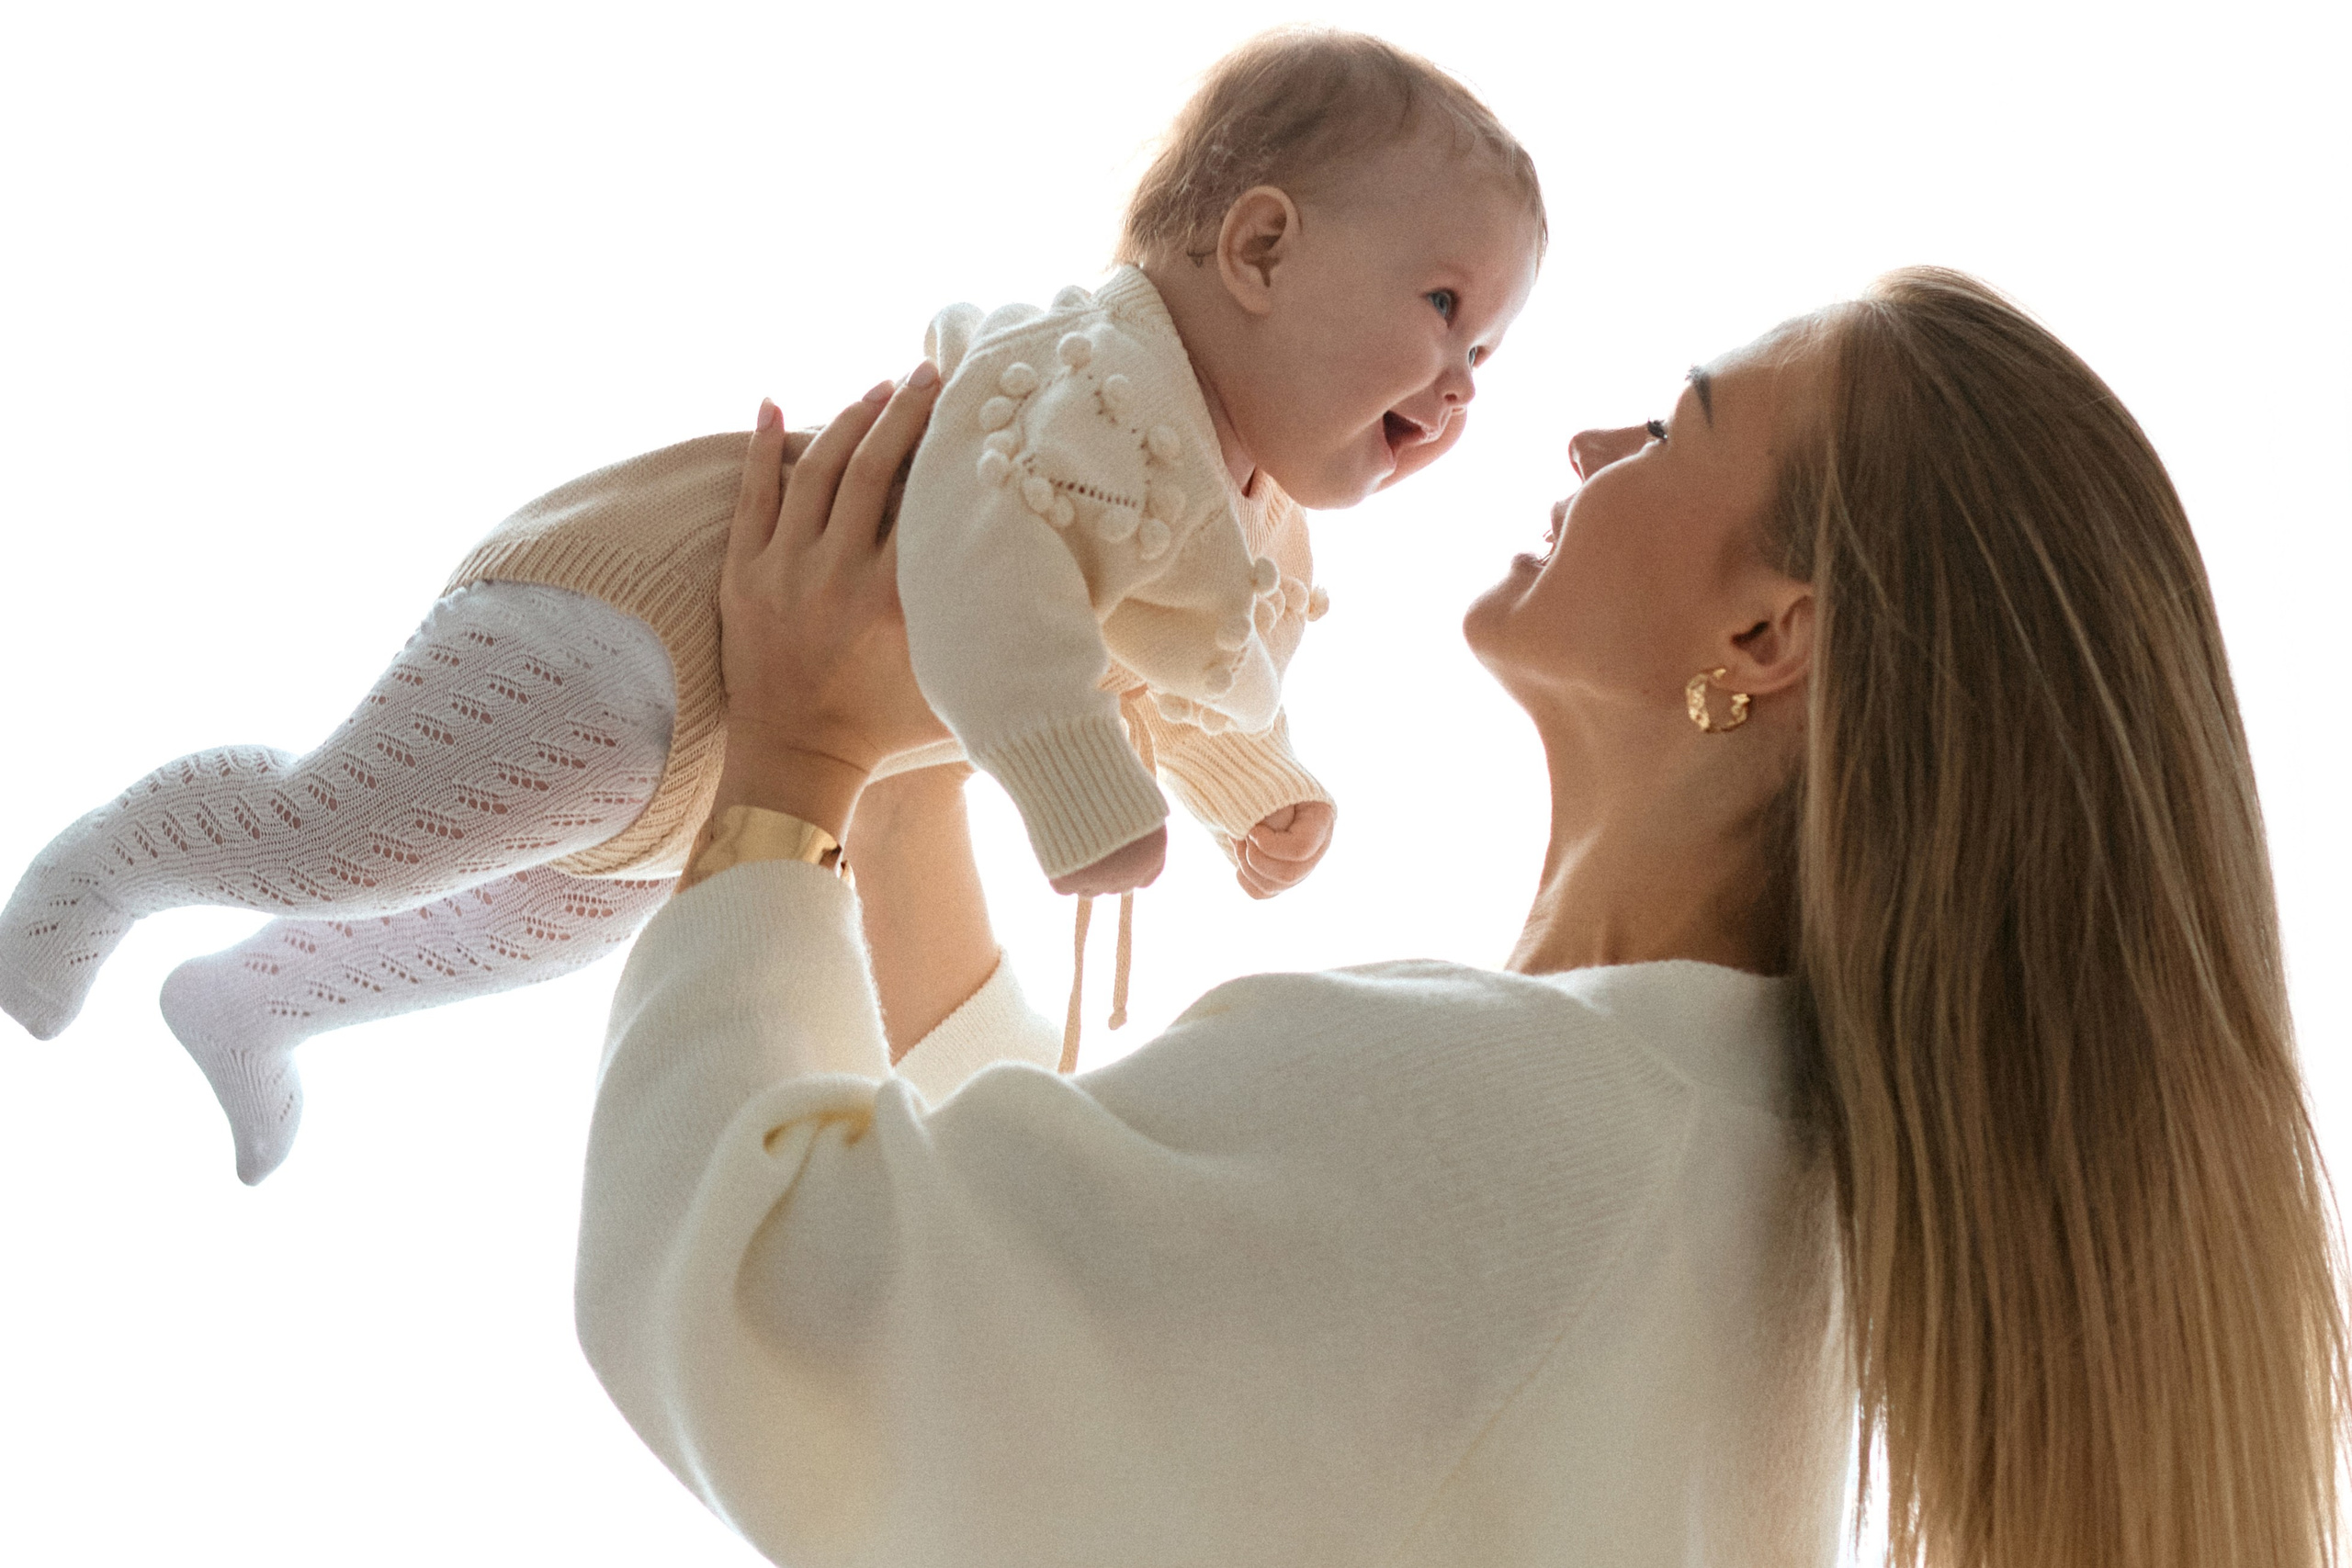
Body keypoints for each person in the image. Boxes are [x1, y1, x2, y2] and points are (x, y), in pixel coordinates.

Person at [576, 268, 2348, 1566]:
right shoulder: (1729, 1184)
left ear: (1767, 637)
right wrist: (910, 767)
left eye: (1675, 425)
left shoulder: (1514, 1124)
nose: (1590, 437)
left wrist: (792, 768)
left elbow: (771, 1303)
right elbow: (1070, 1288)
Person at [0, 28, 1544, 1183]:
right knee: (342, 837)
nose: (1466, 382)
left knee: (538, 930)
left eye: (1489, 351)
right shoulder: (1081, 385)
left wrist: (1253, 795)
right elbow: (989, 586)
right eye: (1444, 308)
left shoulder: (1248, 525)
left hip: (752, 747)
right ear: (1260, 249)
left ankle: (256, 1003)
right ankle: (99, 873)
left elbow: (1170, 683)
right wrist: (1079, 799)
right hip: (642, 629)